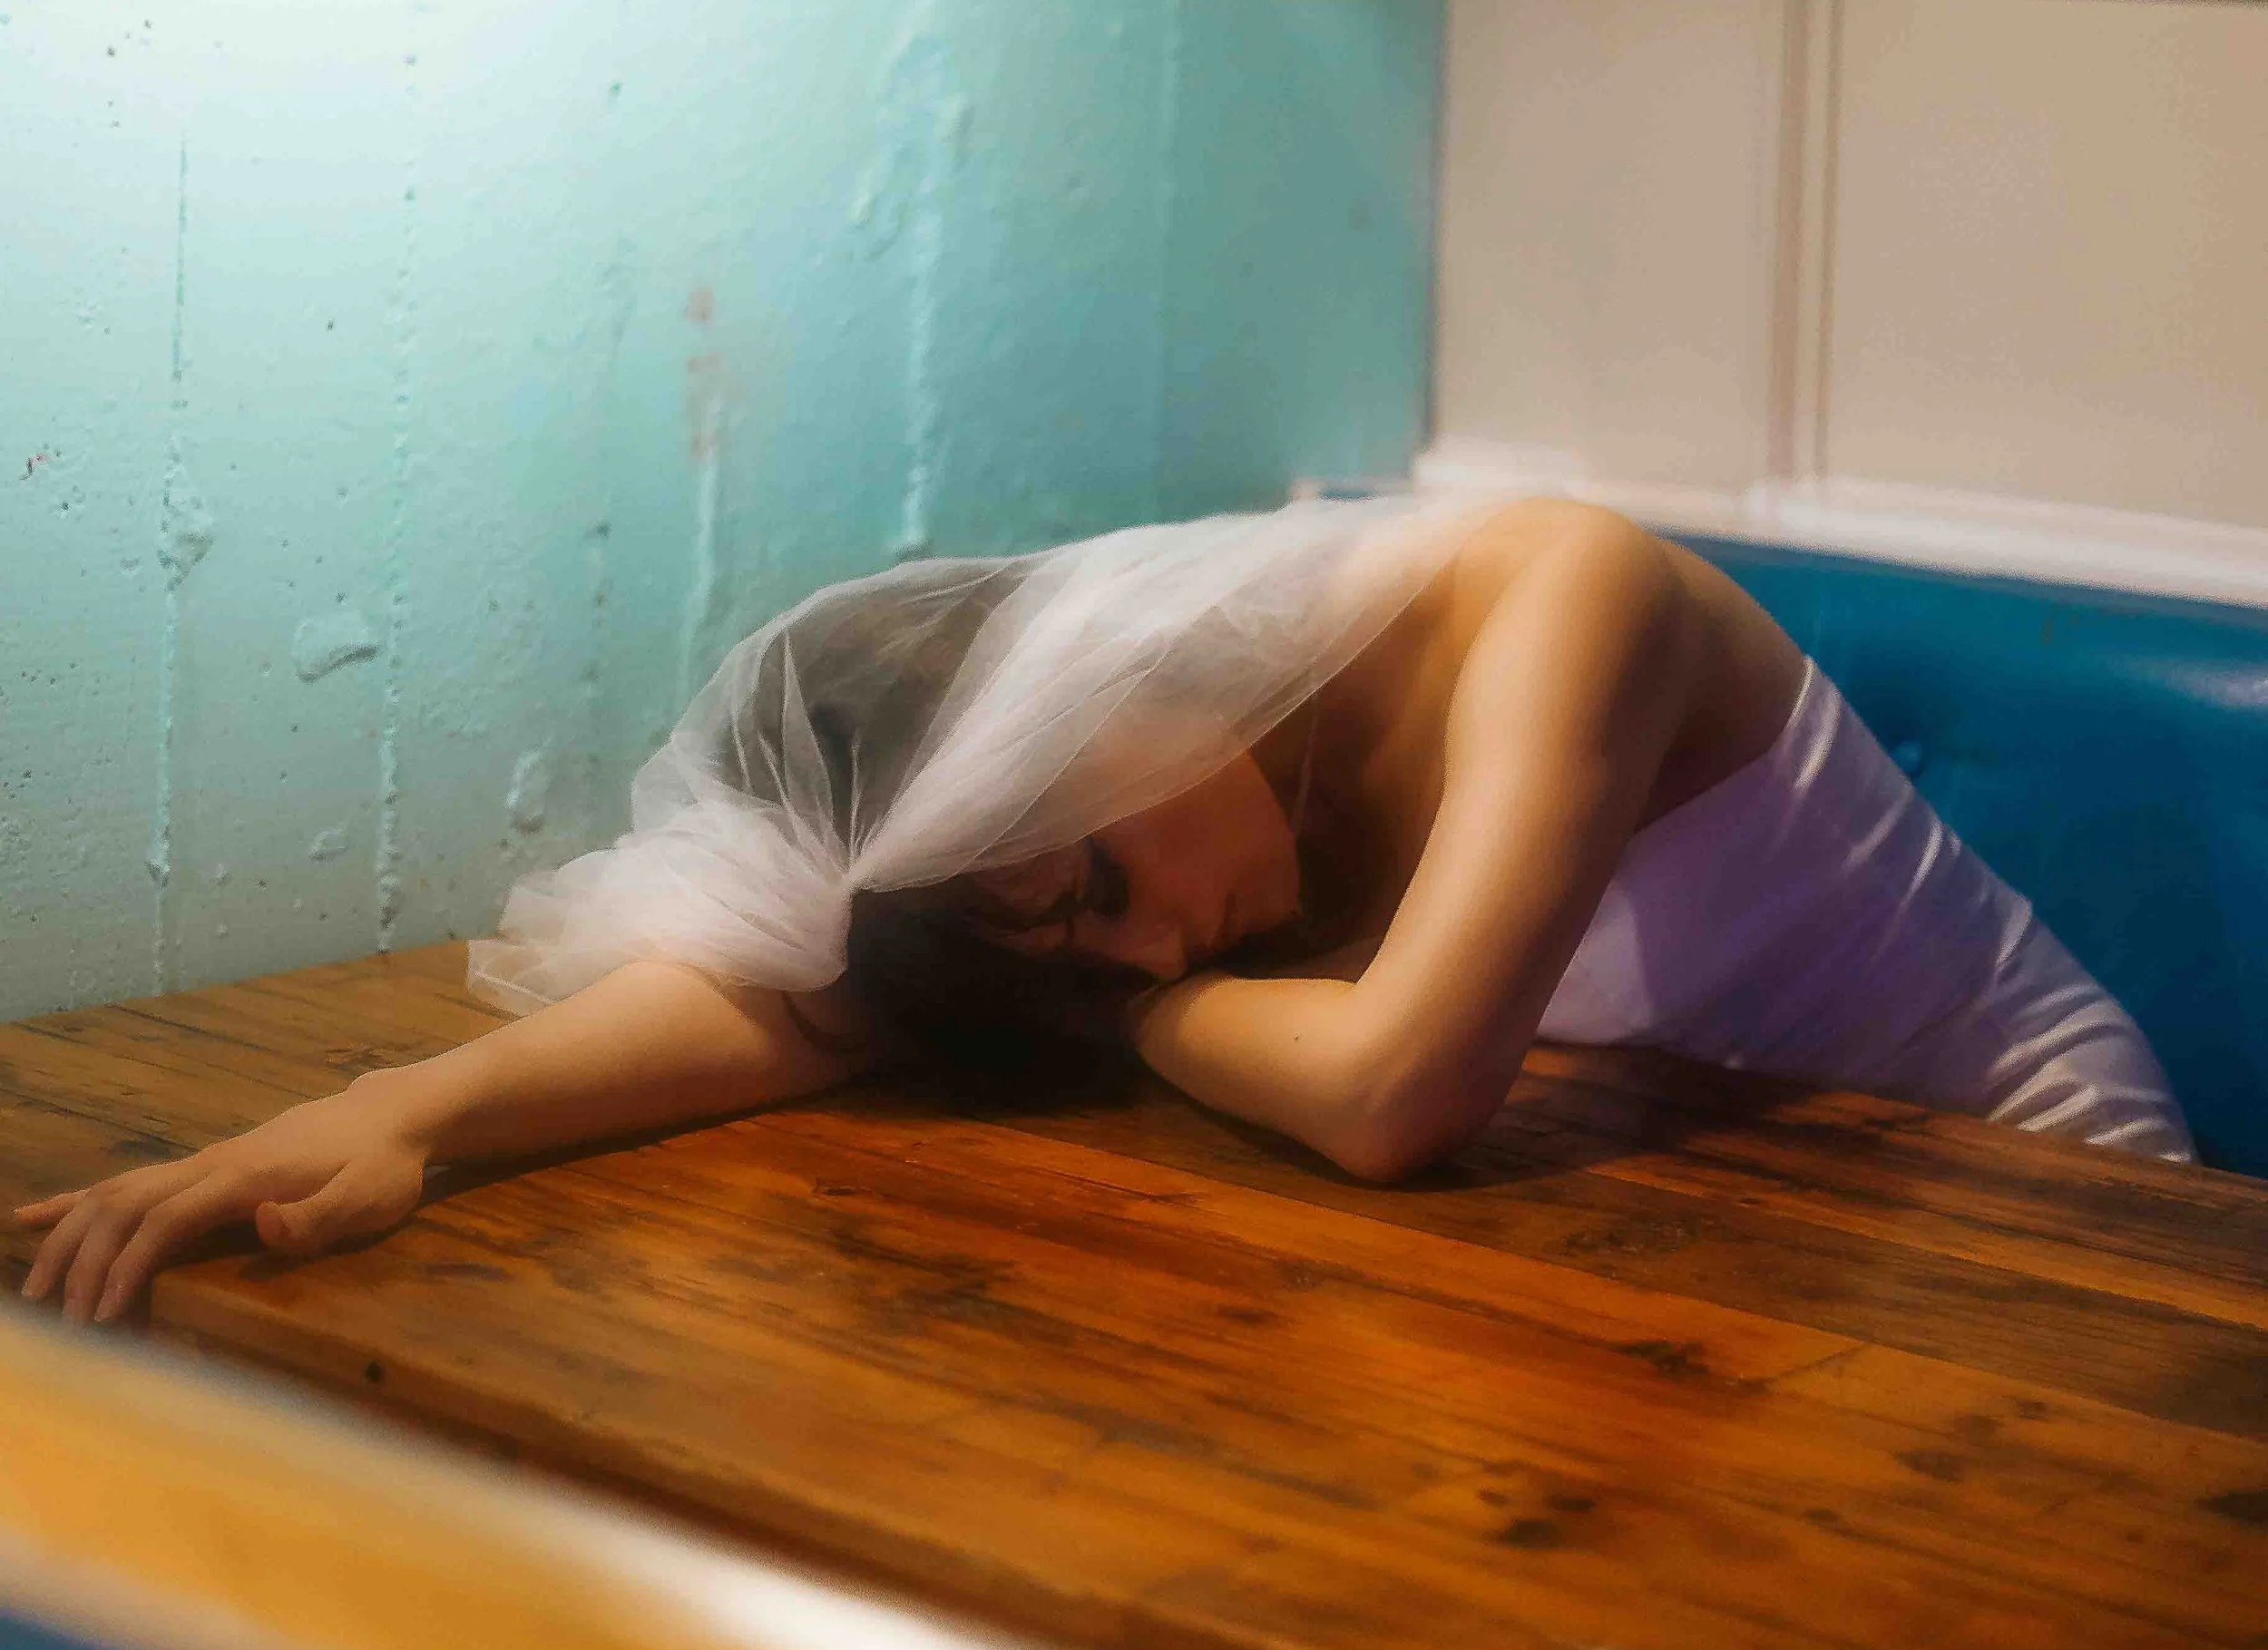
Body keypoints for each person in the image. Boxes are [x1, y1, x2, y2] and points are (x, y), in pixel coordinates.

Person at [16, 495, 2192, 1324]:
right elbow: (804, 1000)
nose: (1148, 944)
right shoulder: (1140, 801)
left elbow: (1394, 1097)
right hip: (1697, 1243)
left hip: (2023, 1222)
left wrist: (1111, 1021)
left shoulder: (1561, 597)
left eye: (1095, 889)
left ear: (1118, 697)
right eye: (1071, 942)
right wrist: (405, 1109)